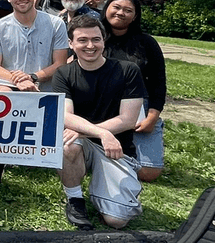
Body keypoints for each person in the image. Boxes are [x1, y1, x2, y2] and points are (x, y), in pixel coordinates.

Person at [54, 15, 146, 230]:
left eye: (96, 39)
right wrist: (101, 133)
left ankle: (106, 192)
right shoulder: (64, 73)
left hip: (116, 147)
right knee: (66, 144)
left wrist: (91, 133)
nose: (90, 45)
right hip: (84, 143)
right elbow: (65, 116)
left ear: (104, 41)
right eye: (82, 40)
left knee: (116, 221)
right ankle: (75, 199)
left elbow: (127, 120)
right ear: (71, 44)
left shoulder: (128, 71)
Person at [101, 0, 167, 183]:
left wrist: (152, 117)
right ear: (106, 9)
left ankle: (114, 159)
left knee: (149, 172)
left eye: (128, 10)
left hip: (138, 109)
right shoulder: (94, 39)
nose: (121, 13)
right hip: (101, 107)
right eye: (116, 7)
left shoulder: (147, 43)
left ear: (135, 16)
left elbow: (158, 83)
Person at [0, 0, 68, 92]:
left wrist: (32, 77)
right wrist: (19, 81)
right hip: (9, 85)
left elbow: (60, 63)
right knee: (1, 92)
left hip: (44, 88)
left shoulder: (56, 24)